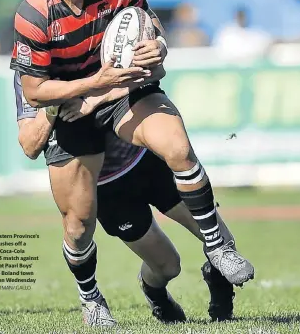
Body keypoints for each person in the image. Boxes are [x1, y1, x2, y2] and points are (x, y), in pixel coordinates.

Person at [10, 0, 254, 325]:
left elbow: (152, 43)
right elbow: (35, 100)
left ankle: (218, 253)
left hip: (119, 100)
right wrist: (87, 90)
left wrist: (155, 48)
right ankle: (92, 298)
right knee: (82, 225)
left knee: (177, 147)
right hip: (76, 125)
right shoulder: (34, 17)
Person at [14, 71, 240, 325]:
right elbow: (30, 145)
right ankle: (155, 294)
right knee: (169, 266)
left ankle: (220, 291)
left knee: (223, 239)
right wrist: (53, 104)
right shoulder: (32, 71)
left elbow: (146, 78)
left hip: (146, 161)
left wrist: (95, 95)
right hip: (110, 190)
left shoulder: (100, 39)